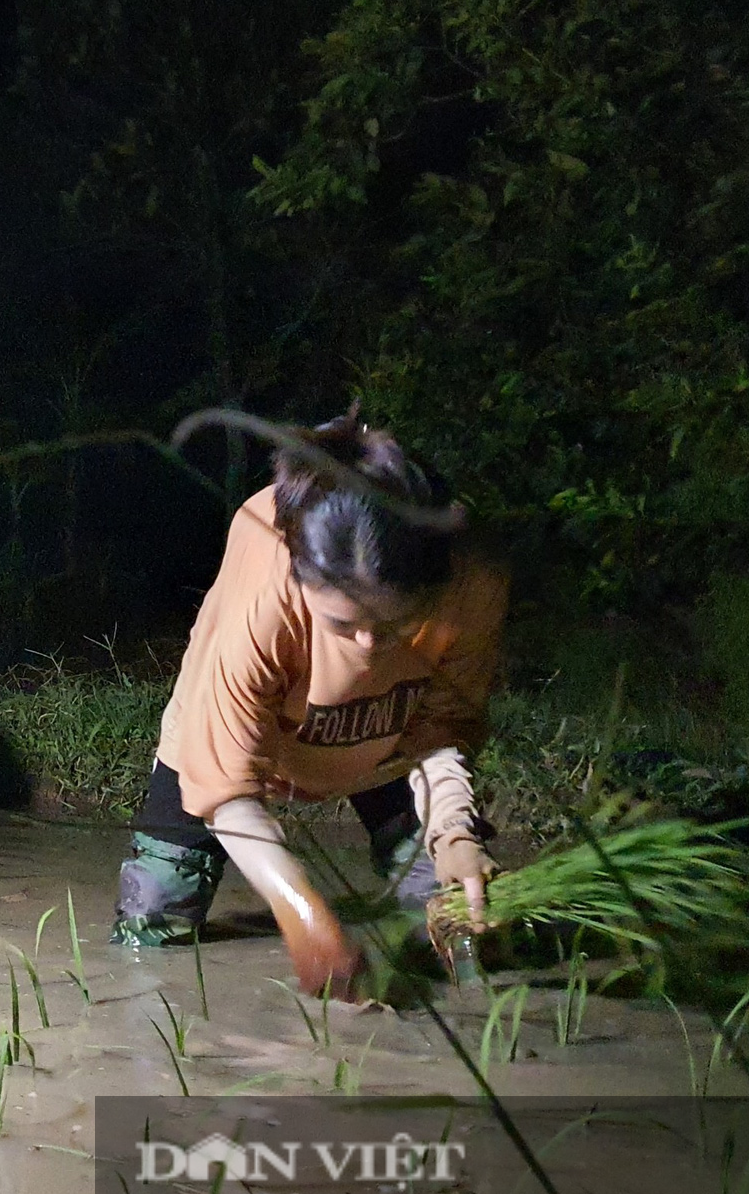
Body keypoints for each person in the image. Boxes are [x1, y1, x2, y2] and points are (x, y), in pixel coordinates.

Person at [112, 412, 507, 995]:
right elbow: (226, 788)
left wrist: (456, 837)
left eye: (395, 624)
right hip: (237, 747)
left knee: (460, 925)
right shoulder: (263, 589)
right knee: (152, 932)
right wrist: (302, 914)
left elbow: (442, 727)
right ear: (298, 579)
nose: (369, 650)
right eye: (343, 625)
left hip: (387, 743)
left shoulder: (473, 580)